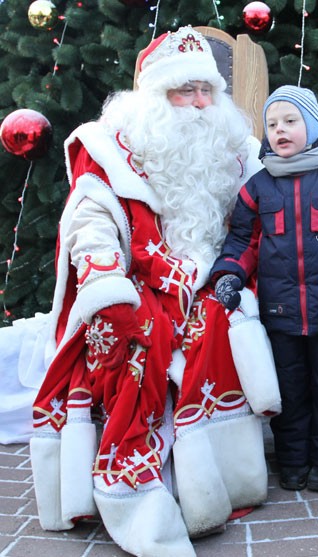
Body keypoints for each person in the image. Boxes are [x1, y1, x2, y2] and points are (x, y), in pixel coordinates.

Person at [29, 26, 276, 557]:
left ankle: (215, 486)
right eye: (184, 91)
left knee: (216, 321)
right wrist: (104, 277)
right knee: (130, 331)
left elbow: (261, 223)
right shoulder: (112, 144)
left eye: (207, 90)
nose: (199, 103)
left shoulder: (236, 148)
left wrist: (235, 270)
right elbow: (91, 218)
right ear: (155, 95)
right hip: (138, 278)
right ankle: (142, 490)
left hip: (216, 274)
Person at [211, 86, 318, 493]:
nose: (280, 131)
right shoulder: (258, 187)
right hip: (281, 315)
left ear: (311, 125)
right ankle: (292, 460)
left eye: (290, 121)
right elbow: (243, 241)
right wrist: (229, 275)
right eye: (272, 124)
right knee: (288, 389)